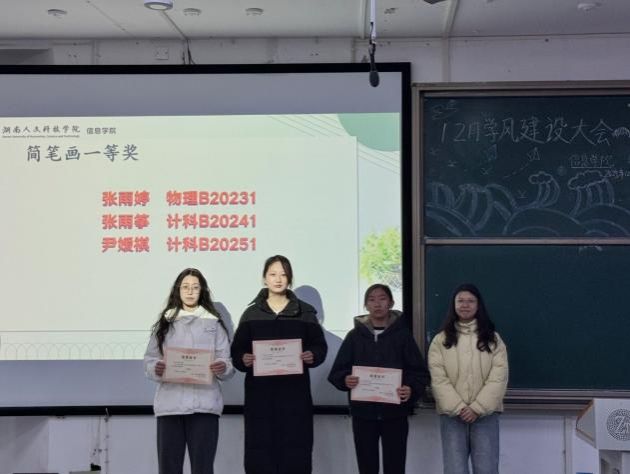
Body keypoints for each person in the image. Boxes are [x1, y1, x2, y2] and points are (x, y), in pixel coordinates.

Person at [231, 255, 328, 474]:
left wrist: (312, 355)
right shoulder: (251, 314)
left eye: (283, 274)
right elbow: (237, 350)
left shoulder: (305, 313)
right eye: (273, 274)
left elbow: (320, 347)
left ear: (290, 278)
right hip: (260, 398)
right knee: (259, 452)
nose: (278, 279)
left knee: (296, 452)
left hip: (295, 397)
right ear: (264, 278)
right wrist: (243, 358)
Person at [328, 283, 430, 474]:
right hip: (363, 415)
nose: (377, 304)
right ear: (366, 305)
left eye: (382, 298)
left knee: (395, 467)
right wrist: (345, 380)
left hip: (395, 415)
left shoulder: (403, 336)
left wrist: (410, 389)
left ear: (391, 303)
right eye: (372, 299)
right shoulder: (354, 336)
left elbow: (419, 373)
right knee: (367, 467)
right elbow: (337, 372)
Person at [144, 268, 234, 474]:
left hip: (204, 406)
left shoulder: (214, 323)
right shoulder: (165, 323)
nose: (190, 291)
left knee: (203, 468)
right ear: (178, 290)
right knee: (169, 468)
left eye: (195, 287)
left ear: (202, 291)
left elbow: (227, 364)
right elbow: (150, 360)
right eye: (185, 287)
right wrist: (155, 368)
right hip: (170, 406)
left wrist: (222, 367)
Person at [428, 283, 508, 474]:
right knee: (454, 469)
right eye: (460, 301)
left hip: (485, 415)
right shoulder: (440, 340)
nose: (465, 305)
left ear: (478, 305)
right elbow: (438, 378)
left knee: (487, 469)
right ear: (454, 305)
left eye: (470, 301)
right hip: (452, 416)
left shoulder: (493, 339)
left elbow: (499, 377)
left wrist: (477, 408)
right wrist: (459, 408)